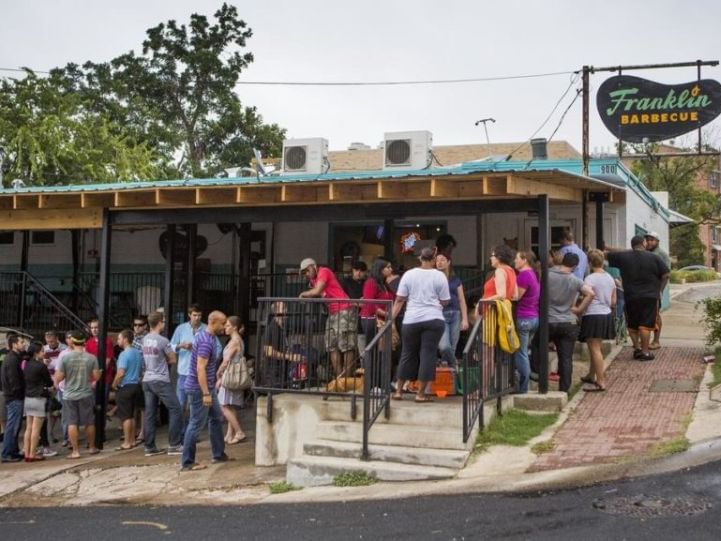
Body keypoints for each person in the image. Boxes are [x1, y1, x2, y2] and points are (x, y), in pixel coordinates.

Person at [391, 247, 450, 403]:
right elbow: (445, 300)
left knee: (407, 353)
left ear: (420, 258)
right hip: (433, 319)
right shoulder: (440, 276)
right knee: (428, 354)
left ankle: (398, 391)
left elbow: (399, 299)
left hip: (411, 319)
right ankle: (420, 394)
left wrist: (391, 320)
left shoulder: (408, 275)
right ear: (434, 259)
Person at [607, 236, 670, 361]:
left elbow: (604, 255)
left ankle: (637, 349)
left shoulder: (623, 256)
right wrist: (659, 290)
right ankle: (645, 352)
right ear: (644, 243)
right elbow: (666, 275)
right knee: (645, 325)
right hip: (650, 296)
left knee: (632, 325)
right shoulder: (654, 257)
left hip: (631, 296)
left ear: (632, 245)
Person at [181, 311, 228, 471]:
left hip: (206, 386)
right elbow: (200, 368)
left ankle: (219, 454)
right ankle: (187, 462)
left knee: (216, 417)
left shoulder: (204, 336)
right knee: (195, 423)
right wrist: (206, 393)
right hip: (200, 388)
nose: (224, 327)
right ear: (213, 322)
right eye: (222, 323)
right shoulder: (207, 341)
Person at [299, 258, 358, 377]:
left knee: (346, 346)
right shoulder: (313, 280)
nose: (306, 274)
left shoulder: (323, 271)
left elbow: (317, 291)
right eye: (304, 273)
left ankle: (347, 379)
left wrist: (303, 294)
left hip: (344, 309)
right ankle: (340, 380)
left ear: (313, 266)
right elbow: (317, 293)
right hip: (332, 312)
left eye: (307, 271)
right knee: (331, 346)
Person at [548, 253, 595, 393]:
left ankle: (538, 375)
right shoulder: (575, 280)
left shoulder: (548, 275)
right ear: (575, 266)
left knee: (537, 346)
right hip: (568, 321)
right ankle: (564, 388)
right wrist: (579, 309)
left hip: (549, 320)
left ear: (562, 261)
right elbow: (590, 294)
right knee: (566, 357)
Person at [141, 311, 183, 456]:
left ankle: (149, 446)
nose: (164, 324)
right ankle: (174, 444)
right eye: (163, 321)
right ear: (159, 323)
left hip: (147, 378)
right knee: (176, 408)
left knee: (150, 413)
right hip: (160, 379)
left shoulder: (144, 339)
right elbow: (173, 359)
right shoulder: (163, 340)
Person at [54, 333, 100, 459]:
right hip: (86, 393)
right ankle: (91, 447)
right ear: (84, 342)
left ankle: (75, 451)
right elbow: (96, 377)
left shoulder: (65, 358)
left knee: (72, 423)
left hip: (69, 394)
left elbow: (59, 377)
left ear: (72, 342)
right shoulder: (91, 358)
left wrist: (56, 383)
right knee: (89, 422)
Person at [577, 250, 617, 392]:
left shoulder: (589, 279)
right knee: (595, 347)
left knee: (594, 349)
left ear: (589, 262)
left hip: (593, 314)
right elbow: (613, 301)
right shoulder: (610, 278)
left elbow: (586, 297)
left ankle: (600, 381)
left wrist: (579, 310)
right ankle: (591, 374)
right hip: (606, 313)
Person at [170, 304, 206, 425]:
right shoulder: (181, 329)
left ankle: (192, 432)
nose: (197, 318)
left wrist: (202, 351)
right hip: (184, 372)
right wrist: (181, 345)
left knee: (195, 405)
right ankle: (181, 432)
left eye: (199, 315)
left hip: (199, 372)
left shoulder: (206, 329)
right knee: (181, 403)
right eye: (195, 315)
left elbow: (217, 348)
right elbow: (170, 346)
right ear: (189, 315)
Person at [215, 316, 247, 445]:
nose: (225, 328)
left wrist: (219, 373)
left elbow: (227, 360)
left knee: (223, 406)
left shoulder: (234, 341)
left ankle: (239, 431)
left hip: (229, 376)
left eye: (228, 325)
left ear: (234, 327)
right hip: (234, 375)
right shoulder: (238, 340)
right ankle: (229, 433)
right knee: (230, 405)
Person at [513, 250, 541, 394]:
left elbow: (517, 296)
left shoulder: (524, 275)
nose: (515, 261)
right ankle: (524, 382)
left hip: (524, 317)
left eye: (517, 258)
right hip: (534, 317)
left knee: (521, 352)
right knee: (525, 351)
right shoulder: (534, 274)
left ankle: (523, 387)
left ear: (524, 260)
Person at [112, 330, 144, 451]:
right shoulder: (137, 353)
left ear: (125, 339)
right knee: (132, 415)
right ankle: (132, 440)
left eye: (119, 339)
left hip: (126, 386)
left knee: (125, 416)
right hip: (136, 385)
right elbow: (141, 370)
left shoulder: (124, 354)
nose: (118, 341)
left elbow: (121, 372)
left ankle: (126, 442)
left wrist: (114, 384)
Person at [435, 253, 469, 368]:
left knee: (452, 348)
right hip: (440, 315)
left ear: (449, 262)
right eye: (437, 260)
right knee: (444, 346)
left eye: (442, 260)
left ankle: (448, 379)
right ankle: (455, 365)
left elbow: (461, 300)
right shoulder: (433, 279)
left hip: (455, 314)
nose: (439, 262)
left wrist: (465, 319)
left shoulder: (455, 279)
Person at [23, 341, 54, 462]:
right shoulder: (41, 366)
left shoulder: (27, 364)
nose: (44, 352)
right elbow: (49, 382)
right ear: (36, 353)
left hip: (28, 398)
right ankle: (32, 454)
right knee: (36, 429)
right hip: (38, 398)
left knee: (28, 428)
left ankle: (26, 453)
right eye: (42, 351)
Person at [644, 231, 672, 350]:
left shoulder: (661, 254)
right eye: (648, 239)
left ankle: (656, 340)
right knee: (645, 315)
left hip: (655, 290)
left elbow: (666, 275)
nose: (649, 242)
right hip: (645, 289)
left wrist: (660, 291)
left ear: (657, 241)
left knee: (655, 316)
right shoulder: (646, 253)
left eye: (652, 240)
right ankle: (645, 340)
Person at [1, 334, 26, 462]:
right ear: (14, 344)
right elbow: (14, 380)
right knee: (13, 426)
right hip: (14, 397)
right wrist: (19, 394)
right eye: (21, 342)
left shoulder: (14, 358)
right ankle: (7, 453)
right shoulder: (12, 359)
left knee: (15, 426)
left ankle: (13, 451)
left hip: (13, 397)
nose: (24, 344)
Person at [360, 259, 395, 349]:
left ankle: (378, 363)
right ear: (380, 269)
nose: (391, 269)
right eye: (388, 267)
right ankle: (369, 363)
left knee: (382, 347)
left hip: (383, 319)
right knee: (373, 347)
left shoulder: (384, 284)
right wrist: (386, 313)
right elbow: (369, 303)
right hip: (372, 319)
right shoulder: (371, 282)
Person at [85, 318, 115, 416]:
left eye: (96, 327)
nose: (94, 330)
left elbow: (107, 361)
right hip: (92, 378)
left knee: (102, 404)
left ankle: (101, 428)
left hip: (105, 378)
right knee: (91, 404)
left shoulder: (107, 341)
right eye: (92, 328)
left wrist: (96, 377)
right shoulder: (89, 342)